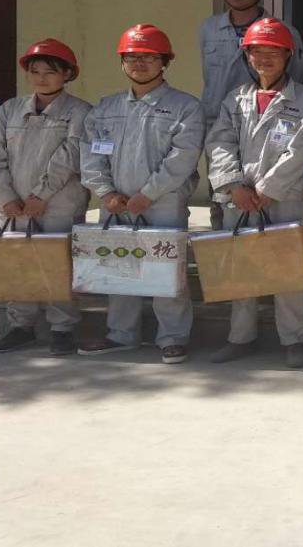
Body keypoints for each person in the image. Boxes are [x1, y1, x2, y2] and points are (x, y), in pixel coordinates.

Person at [78, 24, 205, 364]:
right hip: (115, 204)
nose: (139, 63)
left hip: (164, 202)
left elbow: (183, 157)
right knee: (118, 267)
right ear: (122, 62)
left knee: (168, 271)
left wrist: (148, 194)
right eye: (132, 57)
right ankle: (121, 334)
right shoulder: (105, 108)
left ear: (165, 62)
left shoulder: (185, 107)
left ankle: (173, 337)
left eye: (149, 57)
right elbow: (91, 153)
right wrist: (105, 193)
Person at [205, 19, 303, 369]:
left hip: (285, 198)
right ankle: (240, 337)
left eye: (273, 51)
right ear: (247, 56)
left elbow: (300, 150)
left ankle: (295, 339)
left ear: (288, 55)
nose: (264, 58)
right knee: (241, 272)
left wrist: (268, 189)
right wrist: (233, 185)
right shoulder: (235, 98)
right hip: (239, 199)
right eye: (257, 51)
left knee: (290, 272)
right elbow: (220, 142)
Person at [0, 39, 92, 355]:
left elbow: (71, 155)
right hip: (13, 207)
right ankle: (21, 326)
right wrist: (5, 196)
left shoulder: (80, 112)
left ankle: (62, 328)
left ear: (67, 74)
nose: (41, 78)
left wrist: (41, 194)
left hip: (59, 205)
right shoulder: (9, 110)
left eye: (50, 72)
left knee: (59, 266)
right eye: (35, 71)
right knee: (18, 265)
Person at [199, 0, 303, 230]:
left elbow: (295, 79)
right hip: (219, 122)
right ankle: (221, 245)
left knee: (266, 198)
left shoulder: (283, 31)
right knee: (223, 197)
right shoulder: (209, 28)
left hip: (268, 123)